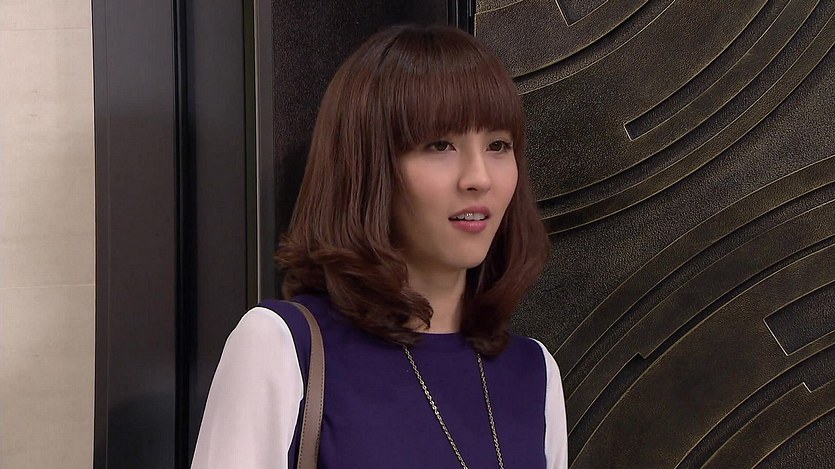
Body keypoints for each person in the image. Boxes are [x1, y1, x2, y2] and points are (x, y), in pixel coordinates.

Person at [191, 24, 568, 468]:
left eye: (499, 146)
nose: (479, 177)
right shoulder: (282, 346)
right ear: (369, 167)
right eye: (440, 145)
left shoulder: (534, 372)